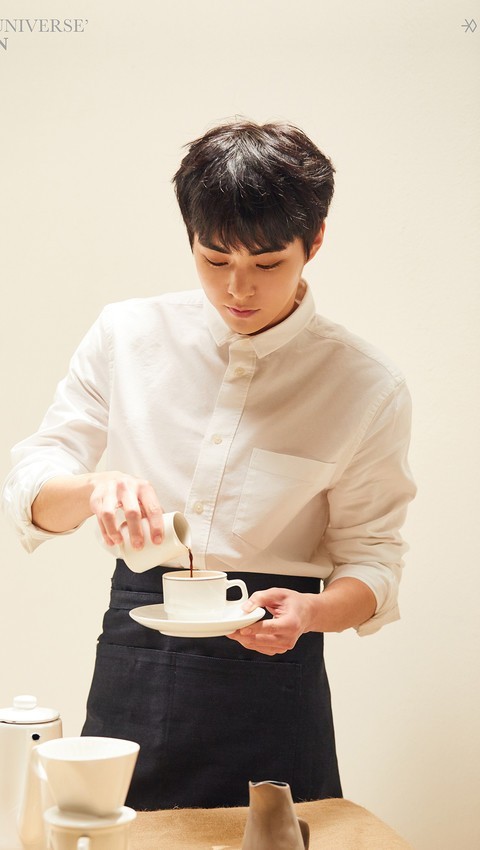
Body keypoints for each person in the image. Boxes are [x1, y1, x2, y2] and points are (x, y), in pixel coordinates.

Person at [2, 120, 416, 810]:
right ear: (191, 238)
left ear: (314, 242)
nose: (238, 290)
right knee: (116, 835)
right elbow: (30, 489)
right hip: (137, 646)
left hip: (275, 667)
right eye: (215, 260)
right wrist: (94, 488)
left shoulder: (366, 386)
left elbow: (373, 560)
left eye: (268, 264)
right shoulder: (127, 335)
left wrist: (313, 612)